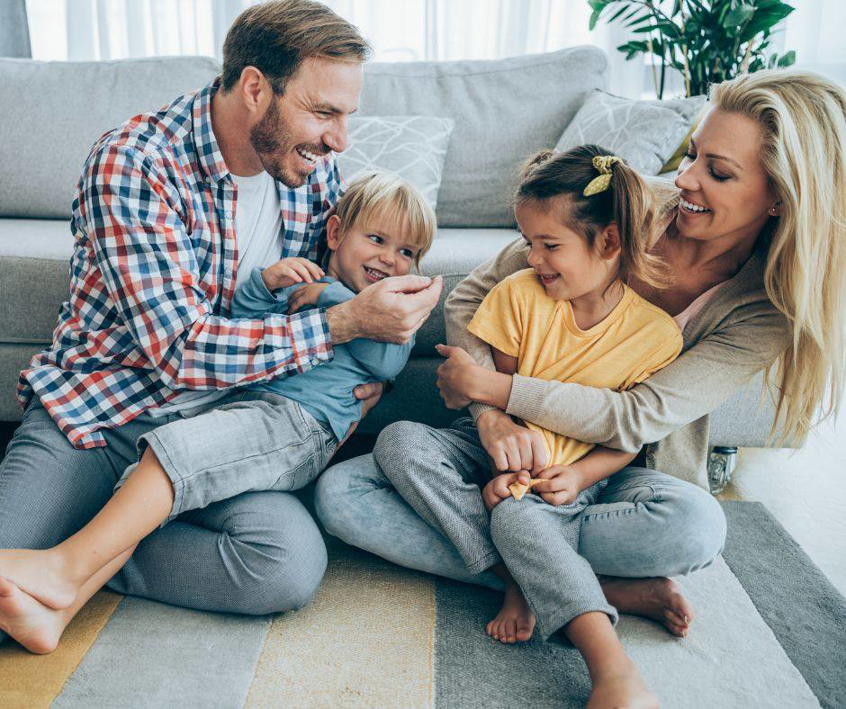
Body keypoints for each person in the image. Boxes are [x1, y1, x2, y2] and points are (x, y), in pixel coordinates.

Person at [315, 69, 846, 709]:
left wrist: (500, 391)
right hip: (502, 449)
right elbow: (474, 295)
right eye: (692, 155)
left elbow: (639, 418)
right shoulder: (617, 202)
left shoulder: (764, 308)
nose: (685, 179)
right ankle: (582, 585)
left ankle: (530, 564)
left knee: (695, 528)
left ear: (780, 197)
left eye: (718, 172)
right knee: (343, 494)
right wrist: (488, 416)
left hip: (612, 469)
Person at [0, 1, 442, 653]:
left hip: (230, 423)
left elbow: (337, 290)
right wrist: (342, 326)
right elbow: (181, 351)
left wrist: (358, 367)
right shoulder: (136, 162)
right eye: (324, 112)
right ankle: (79, 543)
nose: (339, 140)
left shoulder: (309, 169)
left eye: (346, 115)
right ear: (256, 89)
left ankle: (85, 555)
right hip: (105, 416)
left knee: (284, 565)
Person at [379, 145, 683, 704]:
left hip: (571, 473)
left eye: (550, 245)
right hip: (494, 448)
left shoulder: (656, 335)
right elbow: (501, 404)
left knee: (524, 517)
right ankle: (522, 575)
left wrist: (581, 477)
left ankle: (612, 668)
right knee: (397, 441)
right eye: (528, 242)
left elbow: (628, 434)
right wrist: (501, 463)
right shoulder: (518, 295)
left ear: (609, 241)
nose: (533, 258)